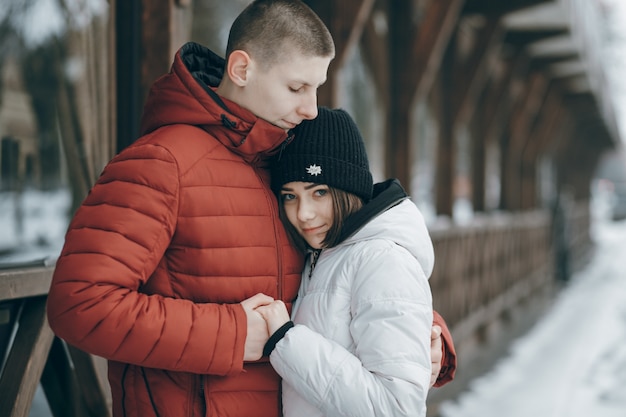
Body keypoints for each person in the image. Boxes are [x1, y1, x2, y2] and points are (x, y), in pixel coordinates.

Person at [46, 1, 454, 417]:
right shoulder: (162, 163)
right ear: (242, 70)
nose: (312, 109)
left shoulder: (284, 164)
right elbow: (79, 303)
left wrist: (418, 330)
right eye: (297, 88)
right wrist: (233, 334)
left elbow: (336, 272)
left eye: (317, 89)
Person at [256, 106, 438, 416]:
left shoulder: (383, 261)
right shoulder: (325, 253)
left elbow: (397, 409)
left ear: (348, 188)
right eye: (290, 196)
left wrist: (286, 342)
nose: (303, 214)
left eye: (319, 192)